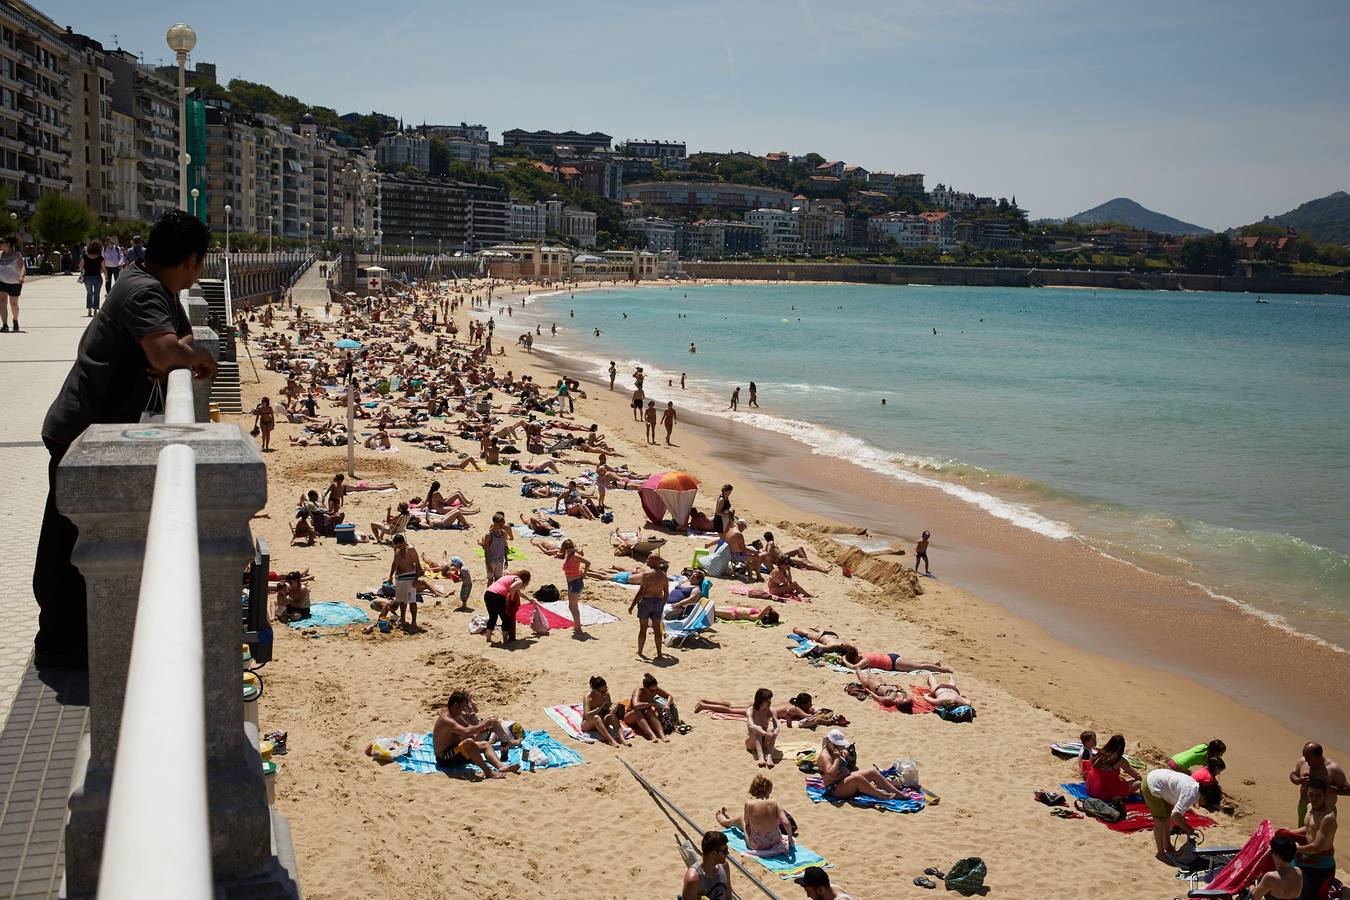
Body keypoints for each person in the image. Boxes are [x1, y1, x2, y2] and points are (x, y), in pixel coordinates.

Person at [37, 210, 216, 669]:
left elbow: (181, 338)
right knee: (66, 542)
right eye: (201, 261)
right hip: (81, 431)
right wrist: (180, 355)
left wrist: (179, 351)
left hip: (98, 430)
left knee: (77, 535)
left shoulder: (156, 286)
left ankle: (74, 637)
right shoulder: (141, 291)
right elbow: (164, 350)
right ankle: (59, 645)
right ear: (191, 260)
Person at [1143, 767, 1223, 864]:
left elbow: (1176, 814)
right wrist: (1188, 829)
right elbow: (1175, 815)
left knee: (1166, 817)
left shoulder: (1195, 786)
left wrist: (1184, 826)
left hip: (1158, 779)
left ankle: (1167, 846)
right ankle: (1160, 853)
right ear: (1204, 798)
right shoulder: (1191, 795)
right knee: (1160, 821)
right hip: (1151, 785)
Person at [432, 691, 520, 779]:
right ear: (455, 705)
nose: (463, 710)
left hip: (456, 750)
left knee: (486, 744)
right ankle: (488, 772)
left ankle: (501, 766)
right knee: (469, 742)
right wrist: (484, 724)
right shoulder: (446, 719)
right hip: (444, 757)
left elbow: (469, 727)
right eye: (462, 707)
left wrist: (481, 728)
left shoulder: (456, 715)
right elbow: (466, 732)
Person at [715, 774, 793, 856]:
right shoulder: (774, 802)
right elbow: (786, 822)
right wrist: (790, 839)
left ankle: (724, 821)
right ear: (768, 790)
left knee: (742, 819)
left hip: (758, 845)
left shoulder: (749, 804)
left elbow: (746, 822)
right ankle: (730, 819)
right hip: (776, 841)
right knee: (748, 822)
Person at [816, 729, 902, 800]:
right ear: (832, 744)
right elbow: (831, 774)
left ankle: (898, 794)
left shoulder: (834, 750)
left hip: (844, 779)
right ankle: (881, 795)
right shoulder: (825, 757)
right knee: (856, 778)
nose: (841, 747)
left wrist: (844, 754)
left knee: (872, 772)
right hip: (834, 789)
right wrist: (838, 759)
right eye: (839, 745)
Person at [1290, 775, 1338, 899]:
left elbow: (1317, 847)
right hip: (1305, 856)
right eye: (1311, 795)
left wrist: (1296, 849)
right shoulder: (1310, 807)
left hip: (1320, 864)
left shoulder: (1327, 818)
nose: (1314, 799)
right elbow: (1308, 828)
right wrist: (1288, 833)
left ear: (1325, 796)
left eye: (1318, 796)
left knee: (1305, 896)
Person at [1291, 742, 1350, 824]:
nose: (1306, 760)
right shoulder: (1303, 762)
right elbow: (1293, 774)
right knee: (1301, 835)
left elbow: (1348, 790)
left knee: (1322, 836)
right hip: (1304, 807)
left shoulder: (1333, 769)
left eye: (1309, 758)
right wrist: (1299, 780)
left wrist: (1329, 788)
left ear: (1319, 756)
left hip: (1325, 812)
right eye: (1305, 757)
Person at [628, 557, 670, 660]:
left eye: (650, 559)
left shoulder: (647, 575)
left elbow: (641, 592)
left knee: (643, 628)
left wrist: (632, 605)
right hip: (658, 602)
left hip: (646, 602)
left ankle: (640, 651)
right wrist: (662, 604)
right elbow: (666, 593)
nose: (647, 560)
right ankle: (659, 653)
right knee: (657, 629)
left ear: (655, 562)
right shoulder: (664, 576)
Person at [1086, 734, 1143, 801]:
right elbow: (1137, 775)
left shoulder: (1099, 754)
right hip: (1101, 793)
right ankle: (1144, 798)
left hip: (1090, 788)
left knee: (1121, 778)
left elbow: (1103, 773)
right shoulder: (1119, 759)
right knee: (1139, 782)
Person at [482, 569, 530, 645]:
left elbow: (519, 594)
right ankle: (505, 641)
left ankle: (488, 639)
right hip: (498, 596)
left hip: (488, 594)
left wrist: (529, 600)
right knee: (505, 619)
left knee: (492, 617)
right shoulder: (519, 581)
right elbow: (511, 589)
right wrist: (511, 600)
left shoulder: (510, 577)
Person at [580, 675, 630, 748]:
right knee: (596, 717)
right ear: (594, 690)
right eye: (602, 691)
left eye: (606, 690)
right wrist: (600, 707)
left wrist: (613, 709)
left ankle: (622, 739)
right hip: (588, 724)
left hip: (602, 722)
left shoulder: (606, 695)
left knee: (612, 716)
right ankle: (611, 740)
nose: (605, 692)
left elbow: (608, 708)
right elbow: (587, 715)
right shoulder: (588, 697)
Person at [1249, 833, 1303, 900]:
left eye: (1271, 851)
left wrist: (1250, 885)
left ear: (1277, 855)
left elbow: (1255, 897)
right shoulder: (1299, 872)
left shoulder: (1271, 877)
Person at [681, 830, 731, 900]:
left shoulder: (725, 866)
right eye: (725, 851)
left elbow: (728, 896)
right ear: (713, 854)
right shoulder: (693, 879)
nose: (727, 853)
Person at [625, 672, 673, 743]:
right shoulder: (639, 690)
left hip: (645, 715)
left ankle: (661, 735)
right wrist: (651, 704)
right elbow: (635, 705)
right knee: (637, 711)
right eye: (652, 690)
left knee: (650, 711)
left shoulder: (655, 689)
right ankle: (651, 735)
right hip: (631, 716)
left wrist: (667, 704)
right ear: (645, 688)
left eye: (655, 689)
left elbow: (669, 696)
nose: (654, 691)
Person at [557, 539, 591, 638]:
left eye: (571, 547)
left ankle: (578, 628)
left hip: (576, 583)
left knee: (573, 607)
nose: (569, 549)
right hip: (571, 583)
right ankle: (577, 627)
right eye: (567, 547)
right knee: (572, 606)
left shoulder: (575, 556)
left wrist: (584, 574)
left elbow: (588, 562)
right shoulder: (568, 555)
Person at [388, 534, 422, 627]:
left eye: (399, 546)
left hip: (409, 577)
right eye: (396, 546)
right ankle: (403, 619)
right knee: (402, 600)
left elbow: (418, 566)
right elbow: (395, 562)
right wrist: (390, 576)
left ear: (403, 542)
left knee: (412, 600)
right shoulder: (397, 548)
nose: (398, 548)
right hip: (399, 577)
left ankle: (414, 622)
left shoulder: (410, 549)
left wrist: (416, 579)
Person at [744, 688, 780, 768]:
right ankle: (761, 758)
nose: (770, 702)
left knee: (771, 729)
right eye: (767, 700)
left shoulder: (771, 710)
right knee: (758, 729)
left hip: (765, 742)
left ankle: (769, 757)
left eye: (770, 699)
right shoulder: (751, 710)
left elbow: (777, 724)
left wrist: (775, 732)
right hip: (752, 742)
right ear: (760, 701)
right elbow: (751, 725)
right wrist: (764, 733)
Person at [0, 235, 25, 332]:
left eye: (2, 242)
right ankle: (5, 325)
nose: (0, 244)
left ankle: (15, 320)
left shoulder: (17, 255)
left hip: (15, 282)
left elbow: (22, 267)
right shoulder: (0, 254)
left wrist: (21, 276)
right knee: (2, 303)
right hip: (2, 281)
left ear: (8, 244)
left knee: (14, 305)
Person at [480, 512, 511, 581]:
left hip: (500, 560)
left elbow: (504, 547)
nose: (502, 526)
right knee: (490, 580)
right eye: (500, 525)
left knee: (498, 580)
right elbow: (486, 550)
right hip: (491, 561)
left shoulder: (503, 533)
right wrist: (488, 564)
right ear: (495, 523)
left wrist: (506, 559)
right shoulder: (488, 535)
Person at [80, 239, 106, 315]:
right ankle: (95, 310)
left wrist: (85, 268)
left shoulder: (85, 257)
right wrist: (106, 277)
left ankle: (89, 310)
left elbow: (80, 267)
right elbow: (104, 268)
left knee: (89, 293)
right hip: (98, 277)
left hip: (88, 277)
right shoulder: (100, 258)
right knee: (96, 294)